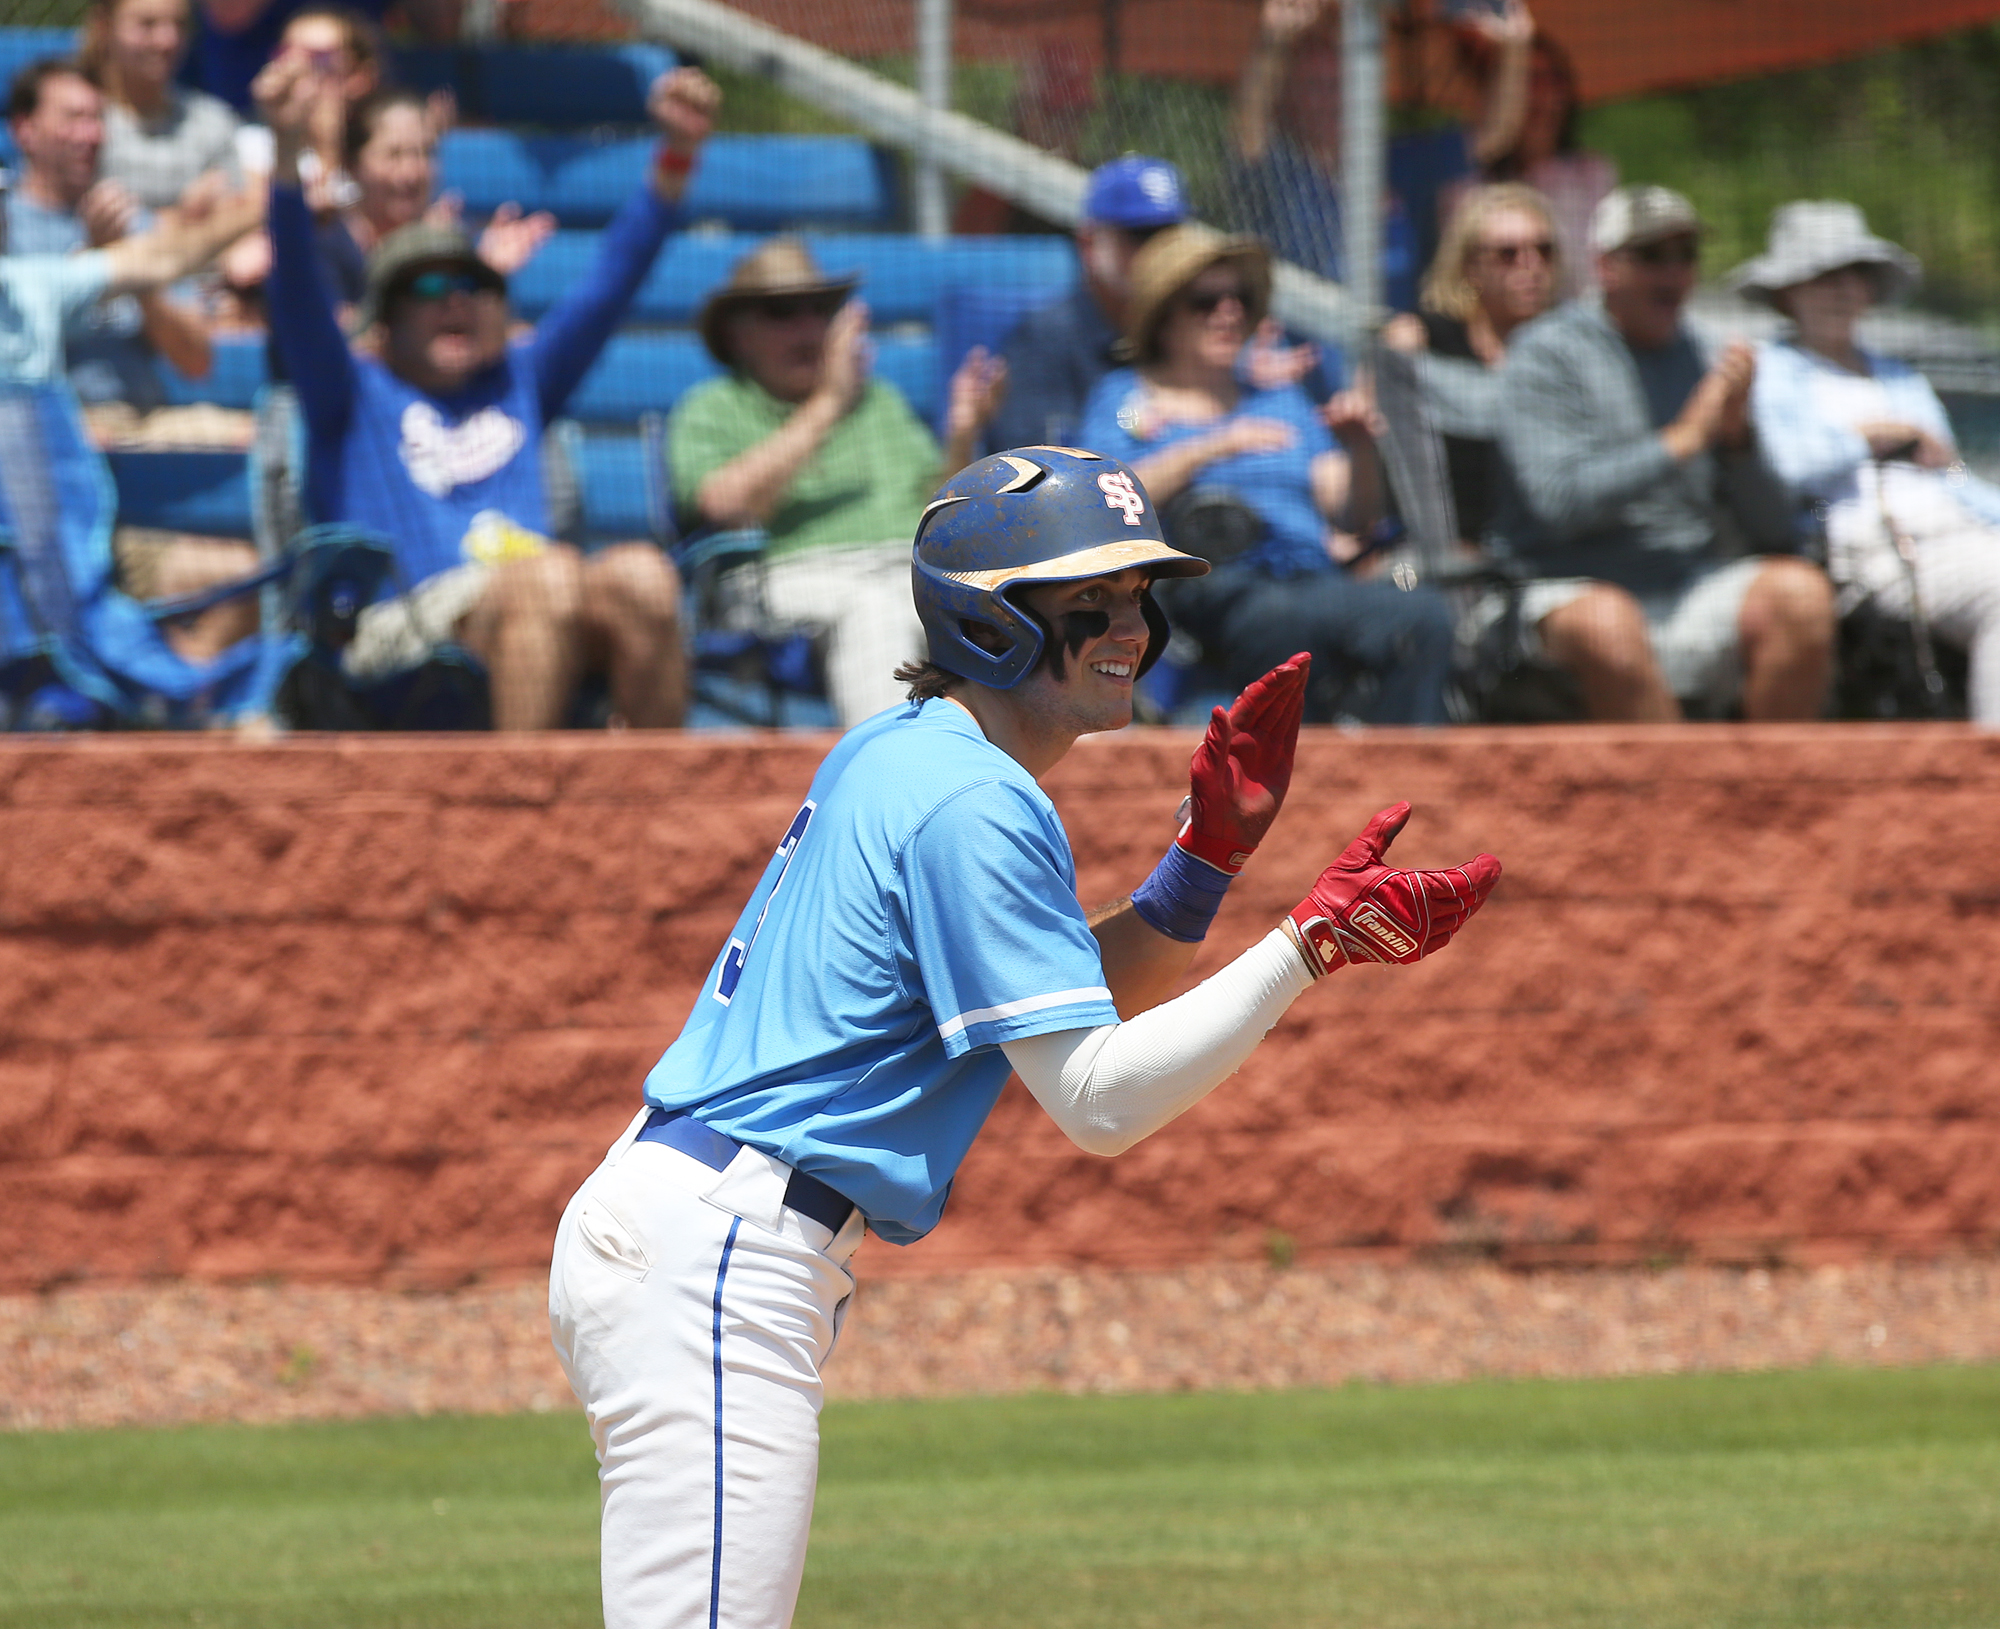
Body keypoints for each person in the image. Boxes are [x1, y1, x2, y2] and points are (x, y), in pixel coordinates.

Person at [548, 443, 1503, 1629]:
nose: (1131, 628)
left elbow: (1047, 1000)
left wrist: (1200, 869)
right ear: (990, 622)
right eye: (1087, 604)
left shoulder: (905, 748)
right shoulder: (975, 797)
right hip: (724, 1246)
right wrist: (1306, 947)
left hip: (693, 1219)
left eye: (1139, 598)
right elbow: (1094, 1100)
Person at [259, 54, 714, 730]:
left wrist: (677, 152)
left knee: (644, 574)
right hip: (399, 623)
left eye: (474, 286)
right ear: (384, 321)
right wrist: (288, 151)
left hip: (535, 603)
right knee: (549, 576)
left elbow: (611, 283)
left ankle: (652, 817)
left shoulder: (522, 376)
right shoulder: (349, 392)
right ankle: (519, 816)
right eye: (429, 288)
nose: (456, 303)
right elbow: (294, 288)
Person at [1083, 225, 1456, 724]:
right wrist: (1214, 445)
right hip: (1206, 586)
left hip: (1308, 578)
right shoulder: (1128, 399)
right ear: (1164, 316)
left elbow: (1351, 516)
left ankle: (1398, 778)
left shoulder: (1281, 399)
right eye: (1206, 300)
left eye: (1239, 297)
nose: (1229, 311)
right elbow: (1104, 499)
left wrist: (1361, 450)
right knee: (1278, 620)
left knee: (1423, 617)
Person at [1490, 185, 1835, 721]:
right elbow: (1557, 504)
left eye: (1685, 257)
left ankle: (1767, 798)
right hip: (1566, 585)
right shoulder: (1546, 353)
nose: (1673, 274)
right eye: (1652, 257)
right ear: (1605, 267)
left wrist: (1740, 440)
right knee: (1608, 624)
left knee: (1803, 595)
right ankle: (1688, 801)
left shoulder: (1702, 353)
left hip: (1689, 582)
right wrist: (1681, 442)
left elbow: (1775, 529)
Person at [668, 239, 1008, 727]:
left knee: (998, 599)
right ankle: (894, 783)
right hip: (778, 578)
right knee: (875, 608)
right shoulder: (711, 406)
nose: (808, 327)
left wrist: (961, 434)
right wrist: (828, 403)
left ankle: (1091, 778)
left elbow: (941, 511)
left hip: (906, 568)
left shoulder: (880, 401)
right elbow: (723, 504)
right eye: (781, 312)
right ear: (737, 335)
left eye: (821, 309)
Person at [1734, 201, 2000, 725]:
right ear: (1789, 292)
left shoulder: (1899, 377)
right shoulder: (1769, 372)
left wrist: (1956, 473)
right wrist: (1867, 439)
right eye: (1822, 276)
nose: (1840, 290)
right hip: (1870, 555)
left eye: (1852, 275)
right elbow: (1783, 470)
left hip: (1959, 532)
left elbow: (1953, 475)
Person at [1230, 0, 1536, 309]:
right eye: (1314, 86)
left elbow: (1495, 135)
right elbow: (1246, 131)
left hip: (1392, 344)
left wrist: (1516, 49)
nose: (1329, 99)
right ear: (1288, 97)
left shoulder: (1396, 162)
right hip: (1305, 347)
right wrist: (1273, 42)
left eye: (1340, 85)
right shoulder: (1279, 170)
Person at [5, 58, 218, 427]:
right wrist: (95, 262)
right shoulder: (7, 227)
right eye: (73, 119)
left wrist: (134, 273)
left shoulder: (133, 222)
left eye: (97, 119)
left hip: (142, 425)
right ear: (25, 129)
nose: (91, 135)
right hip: (47, 429)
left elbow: (196, 360)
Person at [1381, 181, 1562, 543]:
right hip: (1427, 554)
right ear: (1470, 266)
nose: (1531, 266)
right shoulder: (1419, 342)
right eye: (1508, 254)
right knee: (1403, 589)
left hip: (1540, 550)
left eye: (1543, 250)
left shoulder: (1571, 348)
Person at [987, 154, 1187, 454]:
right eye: (1140, 236)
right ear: (1089, 244)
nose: (1159, 252)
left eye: (1169, 236)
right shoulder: (1043, 340)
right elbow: (1037, 473)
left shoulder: (1200, 319)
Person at [1445, 6, 1614, 300]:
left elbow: (1593, 279)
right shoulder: (1463, 183)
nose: (1545, 96)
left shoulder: (1591, 173)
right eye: (1530, 80)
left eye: (1554, 80)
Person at [85, 0, 243, 211]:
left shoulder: (212, 122)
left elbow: (244, 213)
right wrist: (181, 219)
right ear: (105, 27)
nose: (168, 40)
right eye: (147, 24)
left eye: (179, 24)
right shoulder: (80, 119)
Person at [184, 0, 449, 115]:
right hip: (244, 105)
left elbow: (443, 25)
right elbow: (228, 14)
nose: (299, 68)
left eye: (316, 60)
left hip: (365, 107)